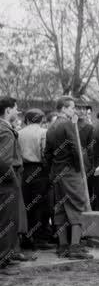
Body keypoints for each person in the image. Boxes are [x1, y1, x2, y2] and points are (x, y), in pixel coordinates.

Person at [44, 97, 92, 259]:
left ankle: (63, 246)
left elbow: (47, 153)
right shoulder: (69, 124)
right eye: (72, 108)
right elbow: (76, 148)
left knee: (60, 208)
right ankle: (75, 247)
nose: (75, 111)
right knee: (78, 206)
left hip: (57, 172)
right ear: (63, 109)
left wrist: (52, 172)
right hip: (71, 171)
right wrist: (82, 168)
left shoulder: (51, 127)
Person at [0, 97, 33, 262]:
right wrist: (12, 180)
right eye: (15, 109)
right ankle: (4, 260)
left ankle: (10, 252)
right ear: (7, 111)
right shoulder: (5, 131)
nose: (17, 112)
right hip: (7, 182)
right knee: (7, 220)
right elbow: (4, 161)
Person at [17, 109, 53, 249]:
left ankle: (26, 236)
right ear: (41, 119)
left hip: (24, 170)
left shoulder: (19, 132)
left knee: (27, 204)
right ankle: (38, 238)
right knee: (40, 205)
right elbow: (45, 153)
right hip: (39, 170)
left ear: (27, 119)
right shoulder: (43, 132)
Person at [0, 157, 20, 275]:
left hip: (6, 187)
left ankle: (5, 258)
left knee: (7, 223)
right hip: (5, 188)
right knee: (6, 224)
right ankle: (2, 260)